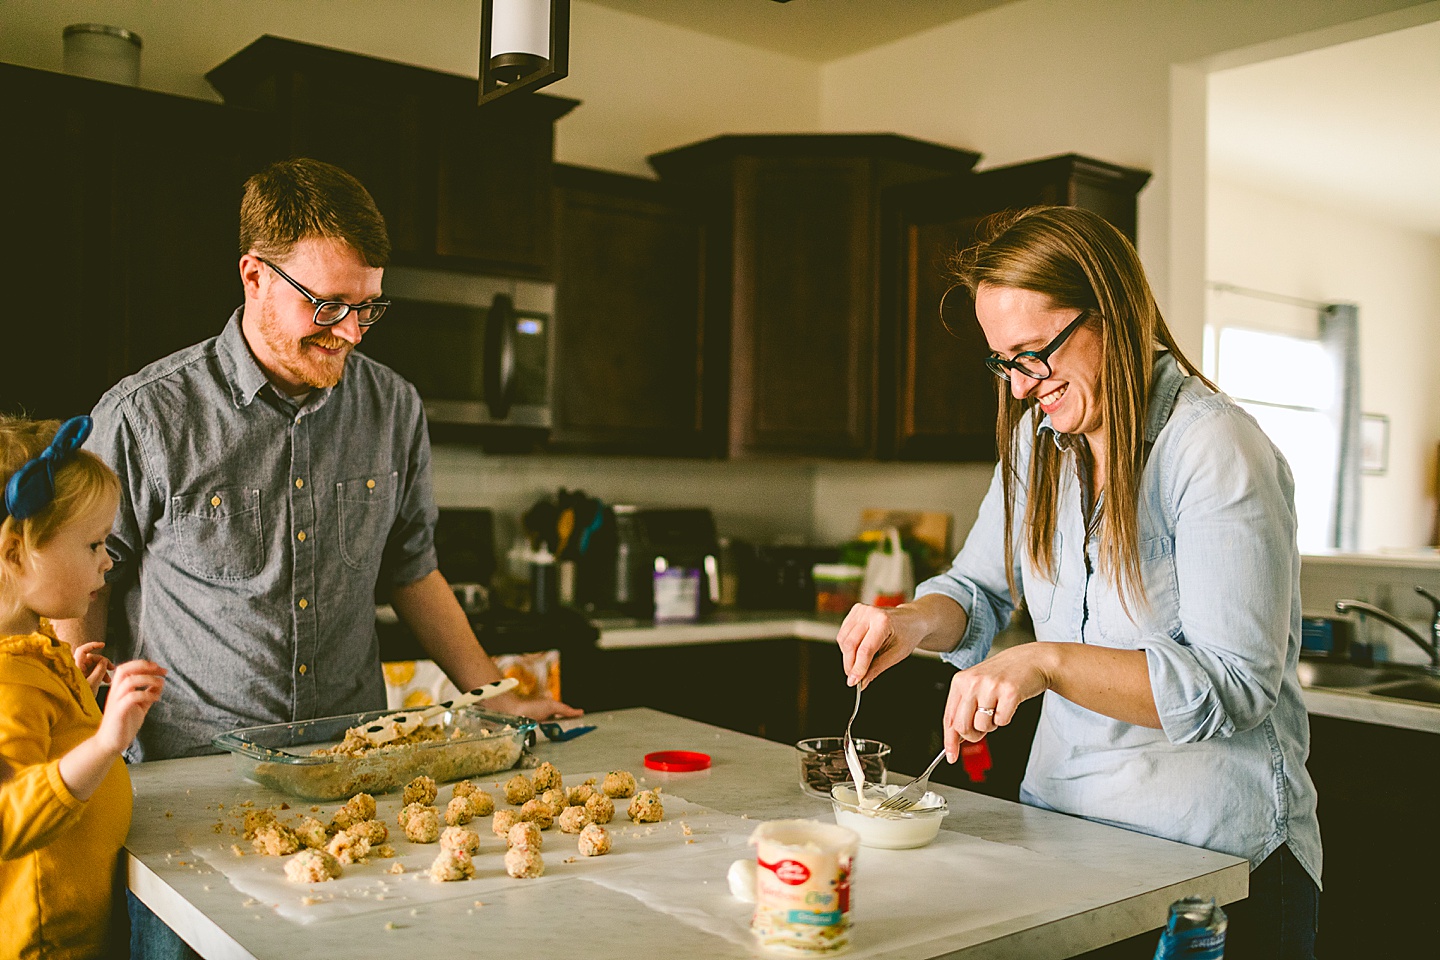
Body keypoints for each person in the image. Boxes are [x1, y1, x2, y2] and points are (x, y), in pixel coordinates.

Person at [54, 158, 579, 957]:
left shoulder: (391, 406)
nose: (350, 331)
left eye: (368, 307)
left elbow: (412, 569)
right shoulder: (146, 417)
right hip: (188, 787)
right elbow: (79, 577)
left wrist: (490, 695)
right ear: (254, 276)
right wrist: (72, 723)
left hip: (353, 784)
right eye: (327, 305)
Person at [836, 207, 1320, 960]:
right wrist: (909, 624)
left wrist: (1045, 661)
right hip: (1069, 843)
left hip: (1212, 868)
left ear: (1112, 313)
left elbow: (1233, 686)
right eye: (1005, 362)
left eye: (1035, 352)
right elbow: (976, 591)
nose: (1025, 386)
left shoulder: (1214, 449)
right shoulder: (1042, 447)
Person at [1, 415, 167, 959]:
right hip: (50, 946)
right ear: (15, 554)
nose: (109, 559)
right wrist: (104, 743)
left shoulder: (38, 645)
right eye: (93, 543)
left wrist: (75, 689)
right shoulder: (9, 683)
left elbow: (44, 746)